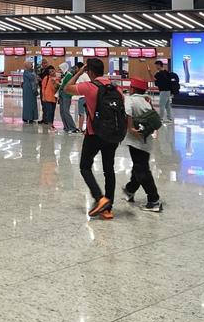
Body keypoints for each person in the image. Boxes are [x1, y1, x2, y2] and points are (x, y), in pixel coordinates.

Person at [64, 59, 125, 218]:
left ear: (89, 71)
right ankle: (108, 207)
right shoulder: (116, 89)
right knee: (108, 169)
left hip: (94, 134)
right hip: (112, 134)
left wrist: (78, 72)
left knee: (85, 166)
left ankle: (100, 199)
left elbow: (67, 88)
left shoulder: (90, 87)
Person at [123, 78, 163, 213]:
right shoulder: (146, 100)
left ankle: (154, 200)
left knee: (141, 169)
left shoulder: (131, 99)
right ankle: (130, 190)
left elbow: (127, 112)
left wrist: (130, 128)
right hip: (146, 139)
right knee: (139, 165)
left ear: (132, 88)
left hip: (135, 140)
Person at [57, 60, 81, 133]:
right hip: (62, 94)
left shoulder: (69, 75)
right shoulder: (65, 75)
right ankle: (66, 127)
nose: (59, 70)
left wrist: (58, 84)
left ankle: (72, 127)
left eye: (60, 69)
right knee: (62, 111)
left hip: (66, 94)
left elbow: (66, 85)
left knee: (66, 111)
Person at [40, 65, 59, 130]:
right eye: (50, 72)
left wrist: (55, 83)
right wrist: (43, 97)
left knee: (52, 112)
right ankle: (50, 125)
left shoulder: (57, 78)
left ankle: (51, 124)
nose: (52, 73)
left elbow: (57, 88)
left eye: (53, 71)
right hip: (47, 98)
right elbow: (43, 88)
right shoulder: (46, 78)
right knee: (49, 111)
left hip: (54, 98)